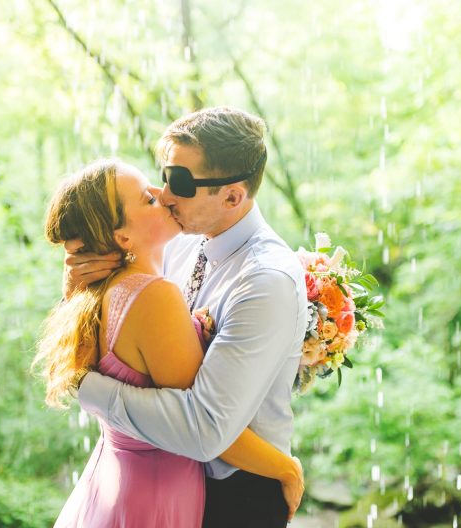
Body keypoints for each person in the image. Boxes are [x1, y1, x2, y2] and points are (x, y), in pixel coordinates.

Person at [65, 107, 308, 527]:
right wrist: (78, 291)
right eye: (164, 174)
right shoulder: (175, 242)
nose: (163, 194)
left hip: (238, 496)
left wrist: (88, 388)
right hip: (164, 476)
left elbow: (204, 430)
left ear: (233, 196)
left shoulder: (266, 281)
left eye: (180, 182)